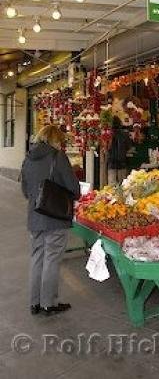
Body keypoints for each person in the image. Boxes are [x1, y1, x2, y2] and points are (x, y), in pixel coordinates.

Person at [21, 125, 80, 316]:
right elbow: (74, 188)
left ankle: (34, 303)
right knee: (51, 259)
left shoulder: (28, 158)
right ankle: (48, 304)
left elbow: (24, 190)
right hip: (54, 217)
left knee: (37, 257)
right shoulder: (58, 157)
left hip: (35, 217)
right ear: (55, 140)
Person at [108, 116, 131, 184]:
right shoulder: (125, 134)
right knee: (123, 185)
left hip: (111, 163)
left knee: (111, 187)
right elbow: (128, 147)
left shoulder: (107, 134)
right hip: (122, 163)